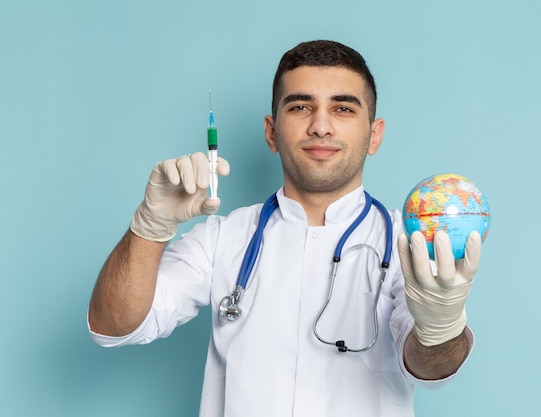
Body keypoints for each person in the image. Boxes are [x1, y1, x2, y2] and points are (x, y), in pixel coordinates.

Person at [88, 40, 482, 417]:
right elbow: (115, 327)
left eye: (343, 109)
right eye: (300, 107)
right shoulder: (222, 239)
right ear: (271, 132)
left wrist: (440, 326)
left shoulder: (404, 243)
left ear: (374, 135)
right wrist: (151, 225)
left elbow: (429, 369)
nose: (321, 126)